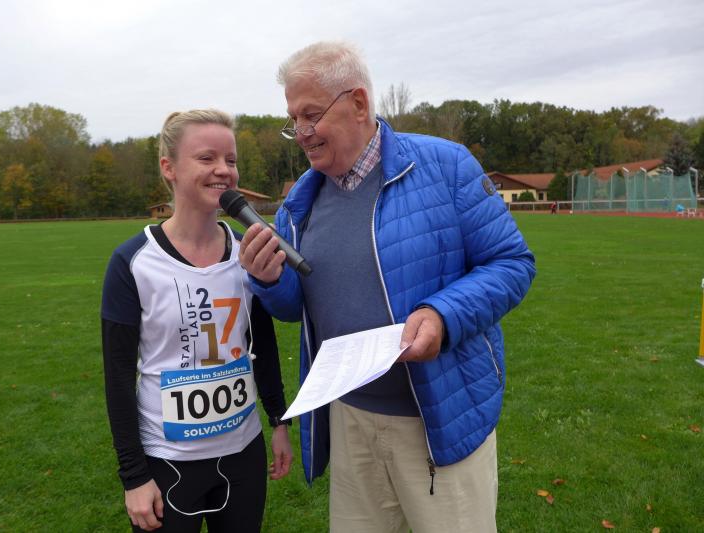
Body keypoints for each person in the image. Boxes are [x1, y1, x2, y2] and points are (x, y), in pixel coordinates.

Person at [238, 42, 536, 532]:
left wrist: (442, 316)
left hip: (439, 420)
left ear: (358, 103)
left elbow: (512, 263)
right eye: (294, 120)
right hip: (349, 417)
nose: (302, 134)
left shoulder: (446, 166)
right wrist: (269, 278)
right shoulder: (299, 203)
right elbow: (297, 308)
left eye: (311, 115)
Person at [101, 109, 293, 533]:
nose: (224, 170)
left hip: (243, 453)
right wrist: (134, 477)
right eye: (207, 158)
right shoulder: (133, 262)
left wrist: (279, 421)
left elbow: (262, 344)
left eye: (231, 159)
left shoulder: (247, 252)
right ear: (169, 168)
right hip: (167, 461)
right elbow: (117, 377)